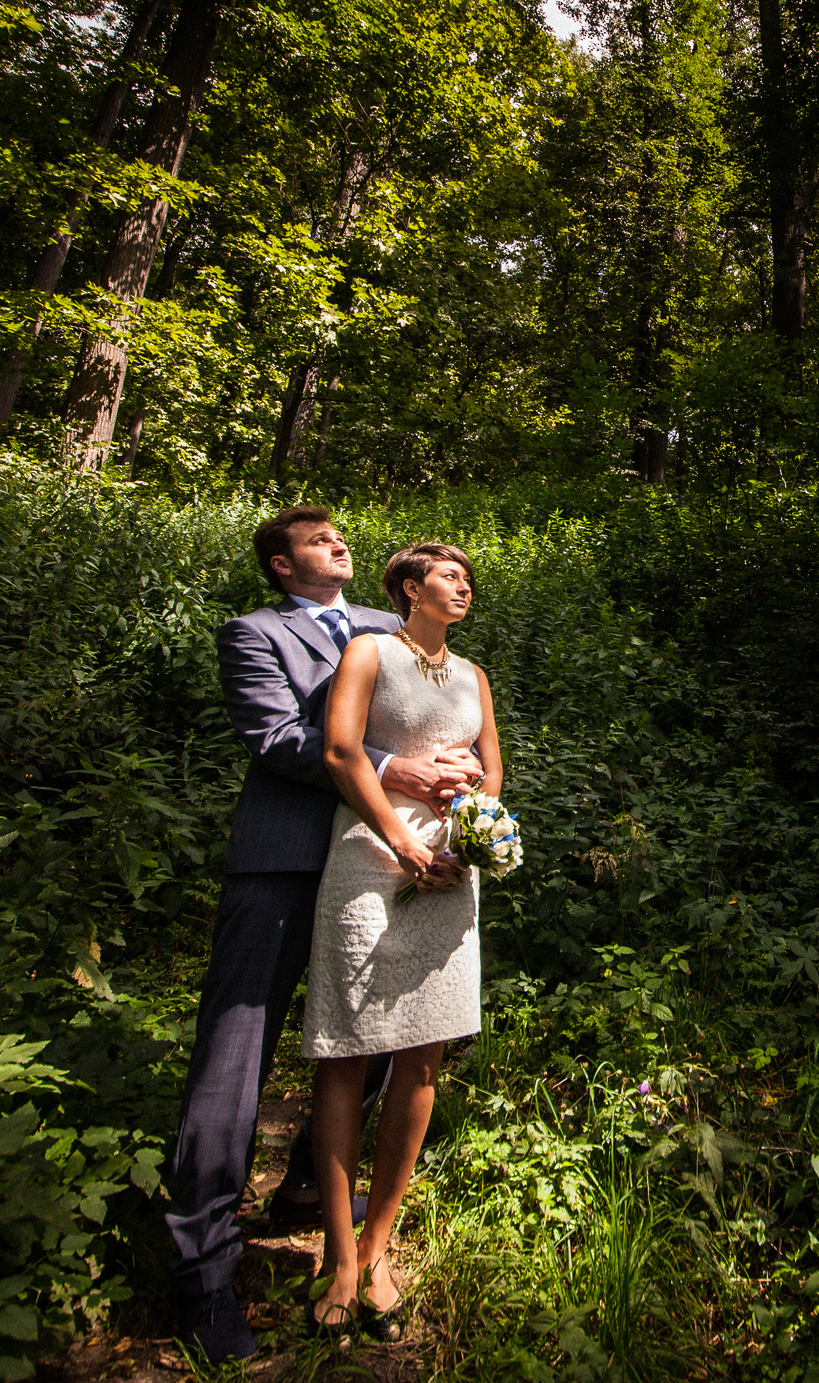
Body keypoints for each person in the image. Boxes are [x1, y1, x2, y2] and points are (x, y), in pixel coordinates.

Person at [167, 508, 481, 1363]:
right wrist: (388, 767)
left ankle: (311, 1184)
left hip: (383, 860)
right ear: (280, 564)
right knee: (236, 1058)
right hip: (282, 858)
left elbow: (439, 712)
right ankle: (201, 1273)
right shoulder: (254, 635)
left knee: (373, 1042)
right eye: (316, 539)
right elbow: (276, 736)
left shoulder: (393, 627)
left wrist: (460, 787)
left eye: (341, 535)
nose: (339, 543)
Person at [306, 541, 500, 1336]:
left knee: (424, 1051)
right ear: (411, 586)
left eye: (469, 580)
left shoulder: (476, 675)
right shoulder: (368, 650)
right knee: (347, 1048)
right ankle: (340, 1254)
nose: (464, 586)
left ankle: (381, 1243)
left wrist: (463, 839)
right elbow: (341, 750)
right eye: (450, 575)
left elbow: (492, 772)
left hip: (451, 867)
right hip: (369, 854)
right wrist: (403, 840)